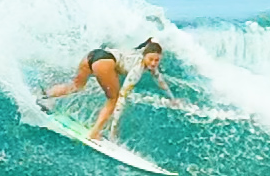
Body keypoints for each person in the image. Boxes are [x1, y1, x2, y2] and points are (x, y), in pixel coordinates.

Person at [42, 38, 175, 140]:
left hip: (92, 55)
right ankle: (94, 133)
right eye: (151, 59)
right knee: (113, 98)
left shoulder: (140, 52)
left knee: (76, 86)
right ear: (144, 56)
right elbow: (122, 98)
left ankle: (43, 96)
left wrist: (172, 98)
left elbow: (160, 80)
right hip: (105, 61)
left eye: (157, 60)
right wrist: (114, 129)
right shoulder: (137, 69)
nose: (153, 63)